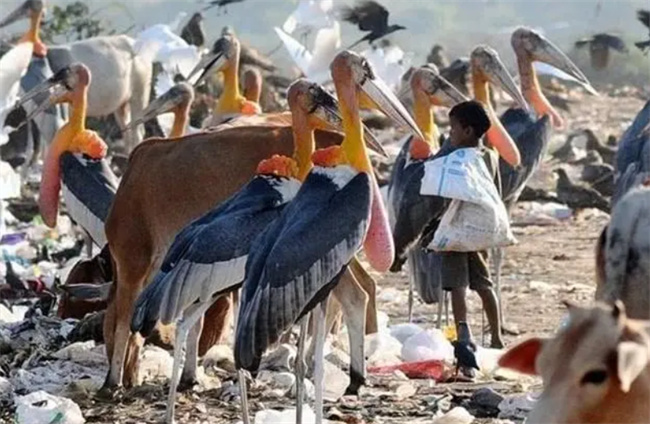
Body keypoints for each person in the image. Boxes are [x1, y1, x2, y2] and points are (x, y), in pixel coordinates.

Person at [436, 101, 504, 360]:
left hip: (455, 231)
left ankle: (463, 335)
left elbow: (446, 191)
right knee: (484, 284)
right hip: (479, 232)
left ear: (467, 131)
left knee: (457, 286)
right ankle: (496, 336)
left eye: (453, 127)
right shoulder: (491, 156)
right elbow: (496, 193)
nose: (450, 133)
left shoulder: (457, 157)